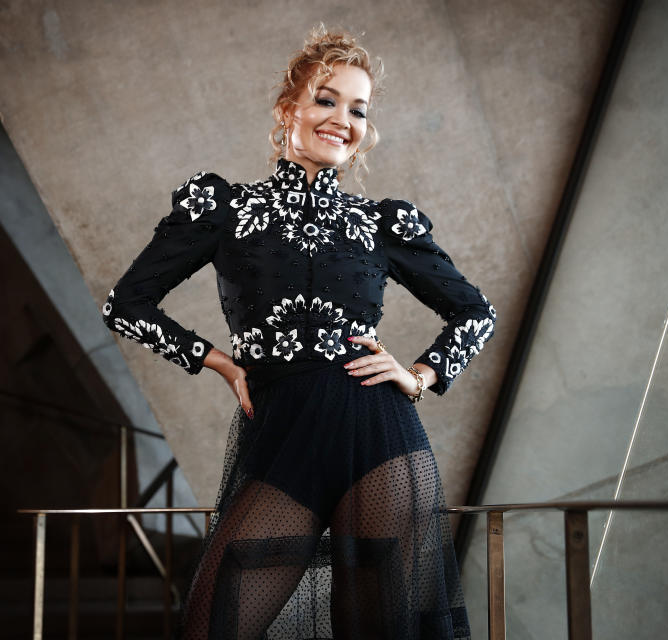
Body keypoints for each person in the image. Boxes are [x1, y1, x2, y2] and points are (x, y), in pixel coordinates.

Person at [102, 24, 495, 640]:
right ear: (289, 110)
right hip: (284, 439)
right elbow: (126, 304)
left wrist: (419, 375)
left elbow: (476, 312)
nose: (343, 118)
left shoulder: (381, 223)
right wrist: (223, 363)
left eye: (358, 109)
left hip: (380, 439)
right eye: (326, 99)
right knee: (211, 626)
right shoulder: (225, 209)